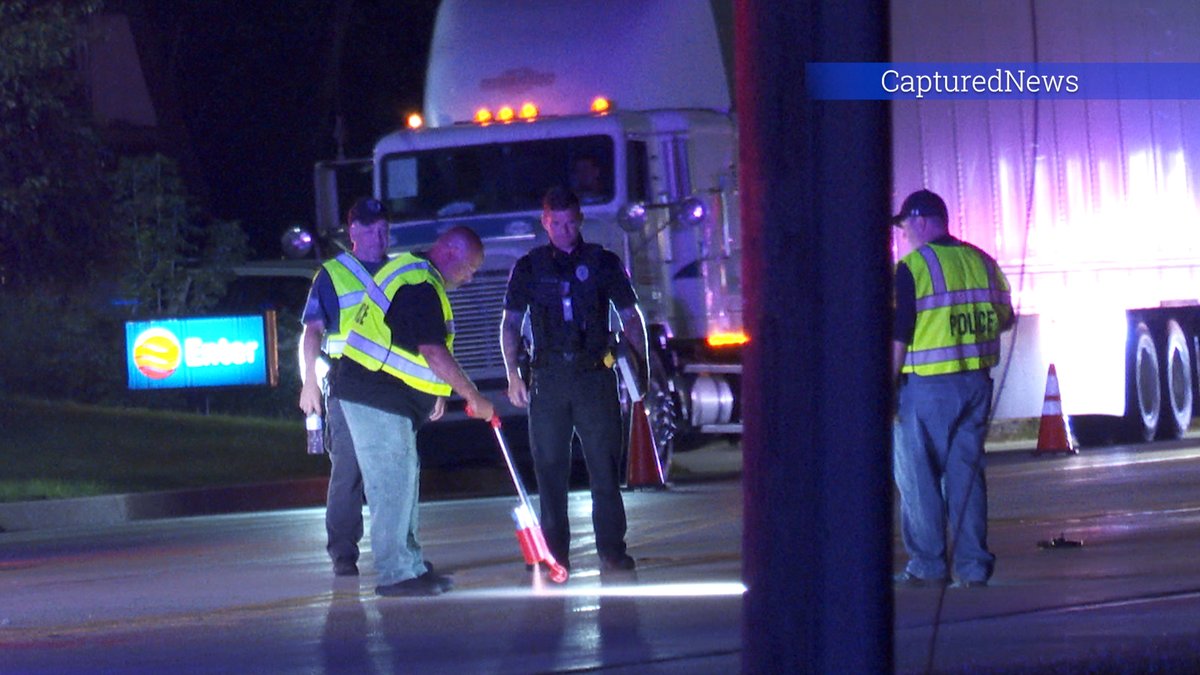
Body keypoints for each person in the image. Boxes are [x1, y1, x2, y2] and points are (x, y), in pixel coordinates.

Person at [336, 224, 494, 597]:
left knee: (402, 479)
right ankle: (395, 573)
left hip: (384, 395)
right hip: (375, 395)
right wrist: (474, 396)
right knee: (391, 483)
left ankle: (410, 565)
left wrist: (436, 392)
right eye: (470, 268)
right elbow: (432, 351)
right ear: (451, 252)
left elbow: (408, 346)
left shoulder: (416, 275)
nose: (469, 278)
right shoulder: (419, 284)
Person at [500, 186, 644, 574]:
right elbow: (511, 324)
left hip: (594, 376)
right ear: (545, 222)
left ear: (580, 220)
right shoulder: (529, 267)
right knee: (548, 472)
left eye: (569, 222)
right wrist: (513, 375)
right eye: (555, 223)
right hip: (547, 379)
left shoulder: (603, 263)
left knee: (604, 469)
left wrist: (638, 373)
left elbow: (631, 317)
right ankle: (554, 557)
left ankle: (612, 551)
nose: (563, 230)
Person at [890, 189, 1014, 589]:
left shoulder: (912, 268)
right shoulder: (982, 261)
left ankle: (928, 565)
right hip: (976, 383)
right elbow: (1005, 318)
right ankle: (973, 566)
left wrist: (886, 387)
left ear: (922, 221)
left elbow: (900, 334)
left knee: (919, 476)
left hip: (927, 386)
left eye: (906, 225)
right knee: (966, 475)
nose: (904, 234)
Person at [299, 197, 390, 577]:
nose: (378, 237)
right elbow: (312, 332)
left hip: (391, 385)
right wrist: (309, 383)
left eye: (383, 229)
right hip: (347, 384)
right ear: (353, 232)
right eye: (369, 229)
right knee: (349, 471)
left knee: (393, 471)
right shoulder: (333, 275)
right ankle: (343, 553)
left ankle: (397, 552)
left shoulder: (400, 270)